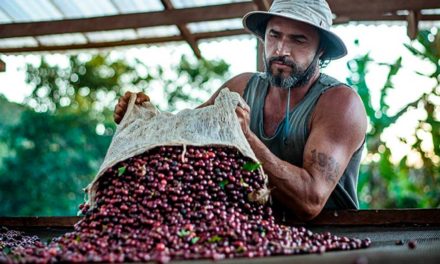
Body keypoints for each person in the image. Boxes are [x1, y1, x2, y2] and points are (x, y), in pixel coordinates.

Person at [113, 0, 367, 221]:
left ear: (320, 49)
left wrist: (247, 139)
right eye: (274, 35)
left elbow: (310, 201)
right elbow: (183, 139)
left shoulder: (340, 104)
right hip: (251, 232)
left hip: (331, 236)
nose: (281, 50)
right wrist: (141, 121)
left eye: (298, 40)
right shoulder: (240, 88)